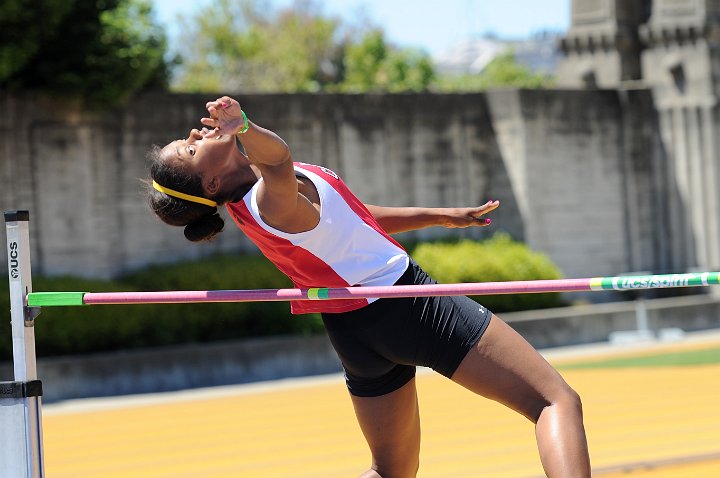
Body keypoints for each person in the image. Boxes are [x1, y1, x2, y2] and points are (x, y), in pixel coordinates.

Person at [147, 96, 591, 478]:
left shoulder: (257, 205)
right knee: (555, 401)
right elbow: (278, 159)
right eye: (189, 148)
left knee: (391, 470)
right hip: (406, 306)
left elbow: (354, 217)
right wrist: (243, 126)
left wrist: (438, 215)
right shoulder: (268, 198)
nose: (194, 133)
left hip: (356, 334)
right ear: (210, 183)